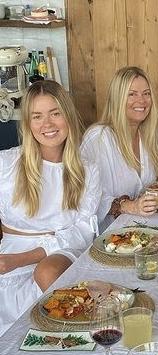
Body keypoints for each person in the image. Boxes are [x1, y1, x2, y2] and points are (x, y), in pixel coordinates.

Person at [0, 80, 101, 336]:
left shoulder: (87, 170)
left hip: (63, 249)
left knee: (47, 270)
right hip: (8, 255)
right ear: (28, 123)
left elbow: (84, 231)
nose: (47, 124)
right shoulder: (7, 164)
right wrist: (9, 260)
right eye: (37, 116)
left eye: (55, 113)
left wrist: (24, 259)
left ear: (68, 115)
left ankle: (67, 337)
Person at [81, 66, 158, 231]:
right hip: (112, 235)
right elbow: (85, 196)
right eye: (132, 94)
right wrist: (129, 206)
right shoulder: (99, 138)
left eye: (146, 93)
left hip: (149, 227)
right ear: (117, 99)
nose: (142, 101)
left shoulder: (150, 134)